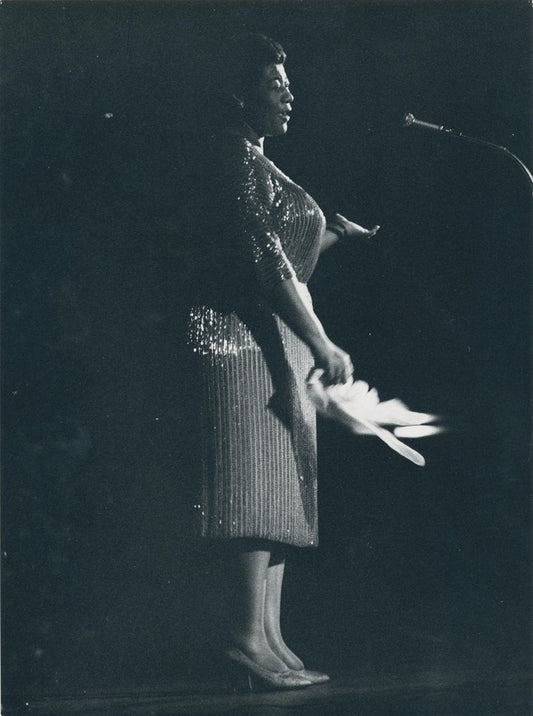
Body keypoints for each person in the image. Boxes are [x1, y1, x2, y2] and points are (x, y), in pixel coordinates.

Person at [183, 33, 379, 690]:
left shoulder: (266, 167)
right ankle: (244, 637)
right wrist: (323, 341)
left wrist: (331, 235)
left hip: (278, 338)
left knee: (277, 488)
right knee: (249, 483)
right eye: (274, 85)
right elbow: (264, 262)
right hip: (238, 337)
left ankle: (268, 634)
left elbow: (290, 258)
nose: (289, 94)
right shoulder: (229, 157)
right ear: (239, 94)